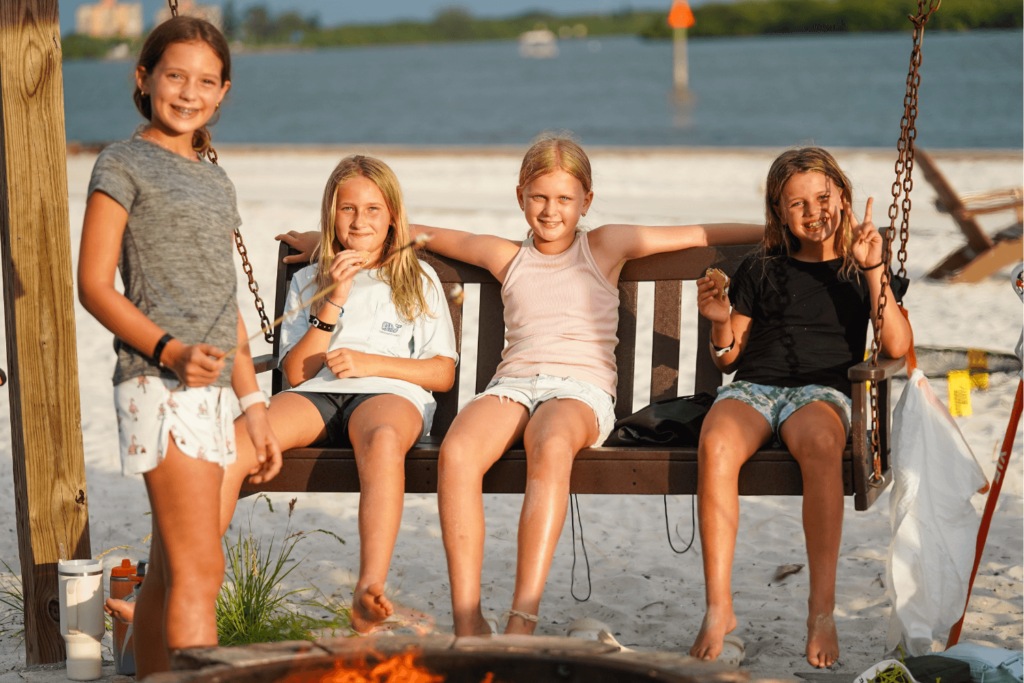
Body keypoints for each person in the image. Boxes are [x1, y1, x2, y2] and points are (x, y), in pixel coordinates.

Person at [408, 135, 761, 637]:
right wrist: (323, 242)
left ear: (586, 202)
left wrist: (776, 230)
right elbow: (418, 234)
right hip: (513, 384)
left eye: (565, 199)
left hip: (579, 392)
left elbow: (698, 233)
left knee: (550, 444)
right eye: (539, 197)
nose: (551, 211)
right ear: (520, 197)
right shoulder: (506, 256)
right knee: (459, 451)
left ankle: (521, 620)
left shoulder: (604, 245)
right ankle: (468, 619)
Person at [77, 17, 279, 678]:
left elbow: (228, 307)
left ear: (222, 93)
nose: (188, 92)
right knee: (202, 568)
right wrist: (168, 350)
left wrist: (254, 404)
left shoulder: (217, 181)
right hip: (158, 386)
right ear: (143, 79)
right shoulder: (123, 163)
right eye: (174, 76)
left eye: (205, 81)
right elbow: (93, 284)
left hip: (219, 396)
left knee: (169, 569)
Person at [689, 147, 912, 668]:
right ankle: (719, 606)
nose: (814, 212)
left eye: (822, 197)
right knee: (717, 440)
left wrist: (874, 267)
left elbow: (898, 345)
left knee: (820, 443)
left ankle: (821, 611)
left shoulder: (864, 266)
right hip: (757, 387)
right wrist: (721, 321)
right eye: (798, 205)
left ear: (843, 197)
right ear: (779, 214)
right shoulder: (760, 267)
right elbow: (728, 360)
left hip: (822, 392)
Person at [220, 155, 459, 633]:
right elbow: (295, 371)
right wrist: (335, 297)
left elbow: (441, 372)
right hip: (317, 394)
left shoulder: (418, 277)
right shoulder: (311, 277)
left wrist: (372, 364)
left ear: (393, 215)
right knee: (236, 440)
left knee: (384, 438)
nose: (360, 220)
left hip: (389, 394)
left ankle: (369, 589)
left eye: (373, 209)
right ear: (330, 214)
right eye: (348, 208)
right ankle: (192, 573)